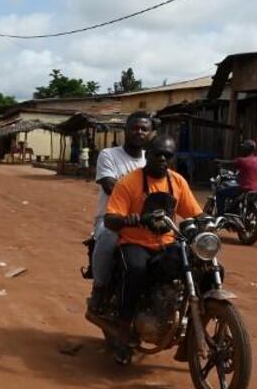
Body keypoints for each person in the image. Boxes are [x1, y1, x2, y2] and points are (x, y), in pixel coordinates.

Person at [103, 135, 204, 338]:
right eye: (158, 154)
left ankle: (192, 325)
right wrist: (128, 220)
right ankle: (123, 327)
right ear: (147, 154)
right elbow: (109, 219)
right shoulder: (128, 183)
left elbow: (195, 213)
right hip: (134, 242)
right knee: (136, 270)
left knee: (199, 265)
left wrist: (208, 220)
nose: (162, 160)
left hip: (166, 243)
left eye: (168, 156)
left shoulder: (177, 181)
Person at [86, 111, 155, 316]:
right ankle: (99, 287)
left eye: (144, 129)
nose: (139, 132)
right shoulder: (109, 155)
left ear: (151, 133)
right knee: (108, 236)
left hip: (145, 221)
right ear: (125, 130)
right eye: (134, 128)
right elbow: (110, 186)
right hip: (113, 218)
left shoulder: (151, 159)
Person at [215, 139, 257, 214]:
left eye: (243, 148)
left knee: (219, 192)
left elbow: (229, 163)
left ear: (246, 149)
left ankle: (220, 214)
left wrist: (218, 161)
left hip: (243, 189)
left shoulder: (242, 161)